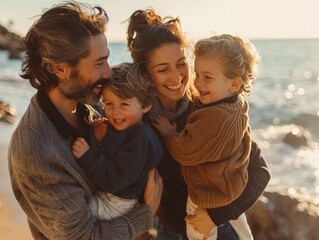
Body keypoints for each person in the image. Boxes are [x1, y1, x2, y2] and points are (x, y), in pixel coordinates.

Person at [8, 2, 162, 240]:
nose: (108, 72)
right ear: (60, 70)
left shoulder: (89, 104)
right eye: (99, 63)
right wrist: (147, 213)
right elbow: (84, 236)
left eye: (107, 60)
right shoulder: (36, 152)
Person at [126, 8, 271, 240]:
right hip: (169, 230)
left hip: (220, 225)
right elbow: (131, 193)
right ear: (145, 73)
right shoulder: (136, 123)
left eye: (181, 63)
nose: (177, 77)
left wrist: (218, 215)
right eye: (163, 69)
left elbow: (260, 171)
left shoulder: (209, 108)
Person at [153, 34, 259, 240]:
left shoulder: (213, 116)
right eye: (198, 74)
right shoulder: (236, 105)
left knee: (198, 233)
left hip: (207, 197)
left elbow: (186, 151)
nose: (198, 83)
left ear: (234, 84)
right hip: (231, 189)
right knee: (241, 229)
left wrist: (169, 134)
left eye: (207, 77)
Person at [71, 62, 163, 224]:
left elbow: (115, 180)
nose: (115, 111)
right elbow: (111, 153)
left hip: (116, 203)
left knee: (72, 214)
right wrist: (97, 137)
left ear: (146, 105)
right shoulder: (125, 129)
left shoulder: (139, 139)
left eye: (125, 104)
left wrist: (88, 157)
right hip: (111, 196)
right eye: (109, 103)